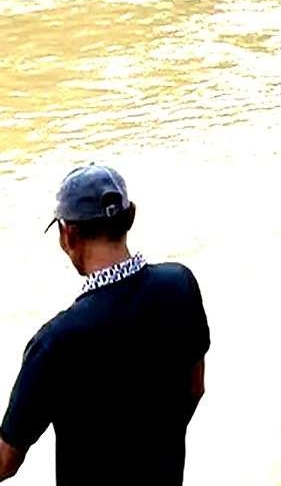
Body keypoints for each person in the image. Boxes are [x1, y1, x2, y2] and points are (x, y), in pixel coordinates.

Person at [0, 164, 209, 485]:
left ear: (68, 234)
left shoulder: (55, 343)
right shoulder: (180, 285)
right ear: (130, 217)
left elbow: (5, 462)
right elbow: (195, 388)